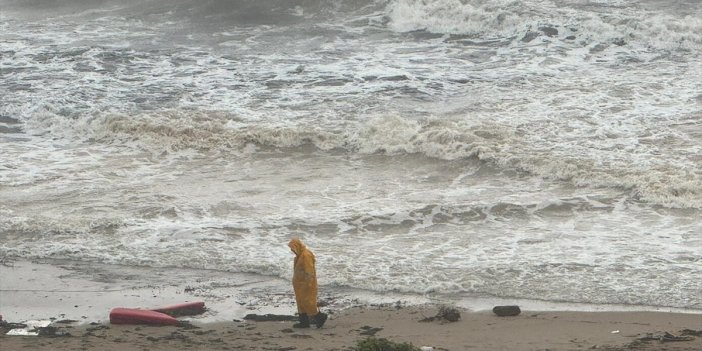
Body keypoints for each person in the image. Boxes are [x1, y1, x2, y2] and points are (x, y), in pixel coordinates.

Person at [288, 238, 327, 328]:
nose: (292, 251)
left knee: (308, 302)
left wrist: (308, 284)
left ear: (297, 246)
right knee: (300, 302)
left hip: (307, 284)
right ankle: (304, 322)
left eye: (293, 248)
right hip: (299, 284)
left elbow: (309, 272)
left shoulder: (306, 255)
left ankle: (320, 317)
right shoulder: (299, 255)